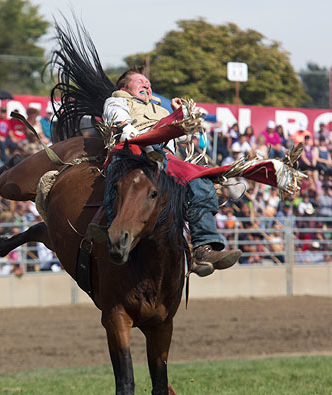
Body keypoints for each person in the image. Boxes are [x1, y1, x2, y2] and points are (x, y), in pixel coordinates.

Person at [102, 67, 240, 277]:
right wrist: (128, 129)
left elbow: (182, 138)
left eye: (148, 83)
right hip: (133, 152)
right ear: (124, 87)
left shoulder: (162, 111)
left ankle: (203, 248)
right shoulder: (117, 101)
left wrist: (180, 115)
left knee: (201, 183)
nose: (146, 85)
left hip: (166, 157)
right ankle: (112, 232)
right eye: (140, 81)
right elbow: (117, 118)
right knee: (120, 179)